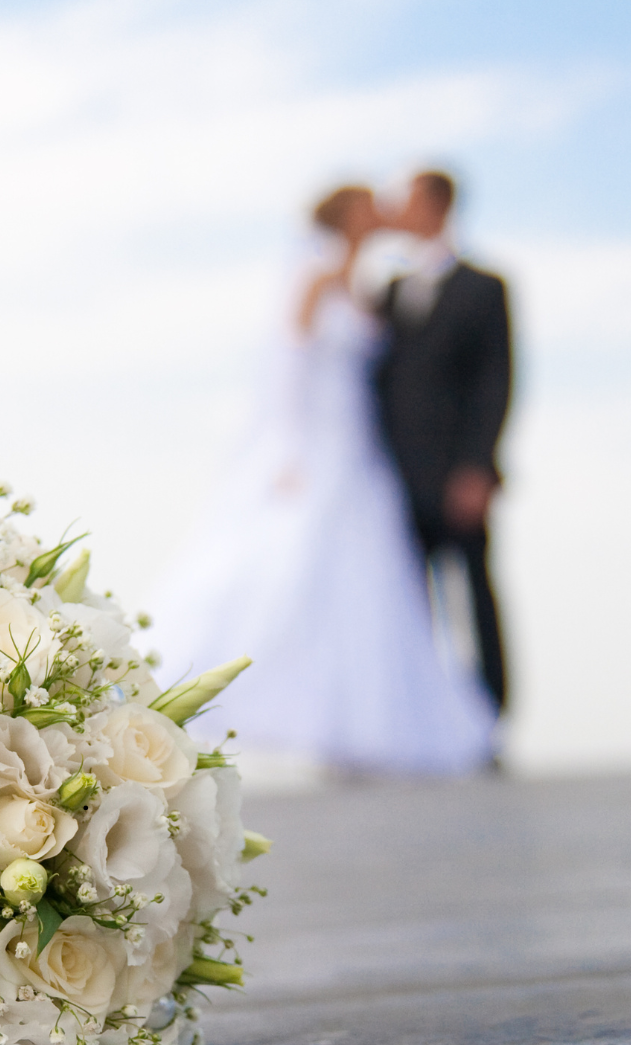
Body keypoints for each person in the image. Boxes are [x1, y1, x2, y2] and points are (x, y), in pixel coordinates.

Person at [147, 184, 496, 775]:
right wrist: (288, 448)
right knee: (290, 572)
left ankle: (359, 727)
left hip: (362, 450)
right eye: (368, 207)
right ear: (342, 218)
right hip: (317, 444)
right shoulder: (313, 276)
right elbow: (286, 364)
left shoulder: (369, 286)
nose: (381, 213)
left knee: (368, 588)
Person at [374, 170, 512, 710]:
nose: (395, 211)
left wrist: (478, 467)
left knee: (475, 595)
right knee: (406, 606)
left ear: (436, 205)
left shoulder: (485, 287)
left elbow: (496, 381)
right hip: (393, 477)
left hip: (459, 475)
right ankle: (421, 721)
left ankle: (490, 717)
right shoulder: (386, 293)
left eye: (404, 200)